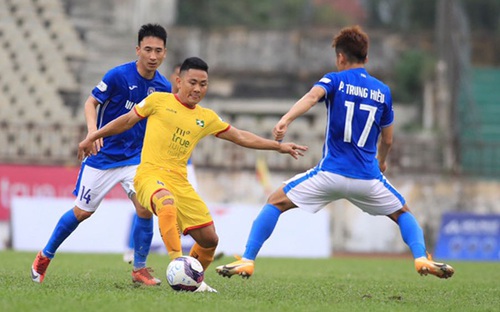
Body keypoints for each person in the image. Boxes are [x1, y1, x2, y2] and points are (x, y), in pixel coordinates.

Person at [216, 25, 455, 280]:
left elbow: (311, 97)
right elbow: (388, 139)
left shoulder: (334, 79)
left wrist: (286, 120)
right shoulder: (382, 91)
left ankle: (248, 260)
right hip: (368, 178)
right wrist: (381, 161)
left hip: (331, 174)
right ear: (366, 57)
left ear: (340, 57)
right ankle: (420, 258)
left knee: (276, 201)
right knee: (402, 214)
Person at [77, 56, 308, 292]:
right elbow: (126, 121)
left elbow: (239, 136)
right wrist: (92, 136)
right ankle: (177, 263)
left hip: (180, 181)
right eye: (192, 82)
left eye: (203, 84)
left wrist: (277, 146)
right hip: (148, 175)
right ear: (178, 81)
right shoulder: (157, 101)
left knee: (210, 240)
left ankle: (193, 280)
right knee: (166, 202)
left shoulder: (205, 117)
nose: (197, 89)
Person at [31, 24, 172, 286]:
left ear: (164, 54)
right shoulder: (119, 75)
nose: (153, 56)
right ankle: (44, 256)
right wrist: (92, 132)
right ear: (138, 49)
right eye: (148, 49)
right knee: (82, 212)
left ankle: (139, 270)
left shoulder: (164, 88)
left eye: (158, 51)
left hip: (135, 159)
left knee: (144, 208)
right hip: (102, 156)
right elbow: (91, 102)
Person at [122, 63, 202, 264]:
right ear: (178, 79)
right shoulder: (161, 97)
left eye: (198, 82)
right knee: (146, 204)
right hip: (155, 163)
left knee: (181, 204)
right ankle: (133, 248)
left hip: (183, 166)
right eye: (188, 80)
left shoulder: (193, 107)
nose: (194, 86)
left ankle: (194, 247)